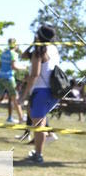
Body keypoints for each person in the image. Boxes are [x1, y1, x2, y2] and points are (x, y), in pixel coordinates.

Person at [19, 24, 60, 165]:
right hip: (52, 90)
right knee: (37, 121)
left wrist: (24, 94)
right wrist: (33, 44)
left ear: (38, 35)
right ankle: (40, 148)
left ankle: (39, 155)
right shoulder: (53, 48)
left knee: (38, 124)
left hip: (41, 90)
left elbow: (35, 74)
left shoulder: (39, 51)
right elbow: (23, 55)